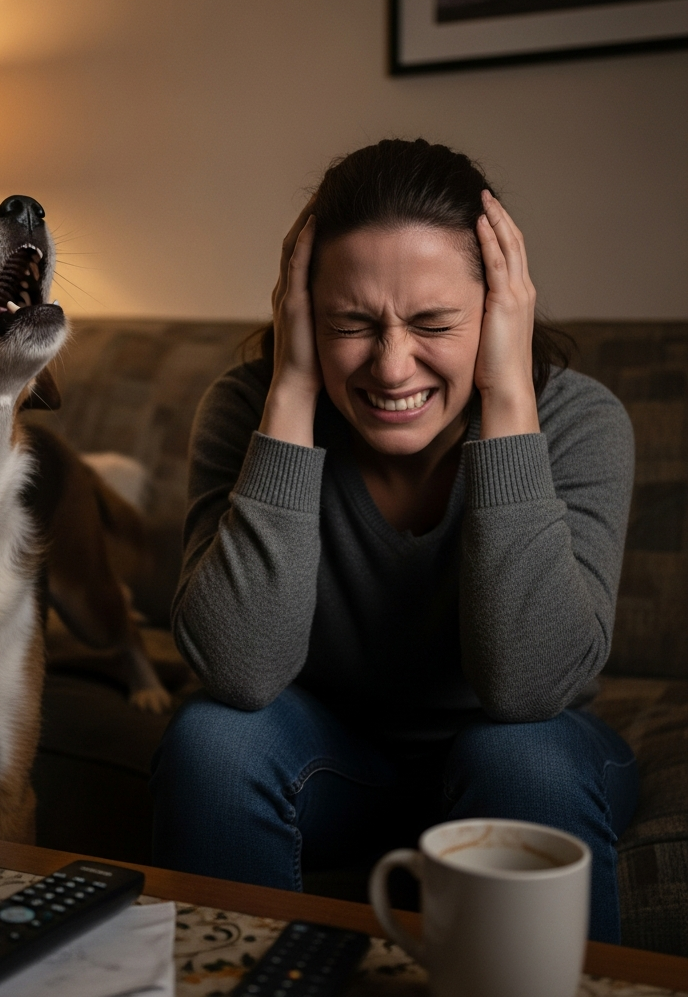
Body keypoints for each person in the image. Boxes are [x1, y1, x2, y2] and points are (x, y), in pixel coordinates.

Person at [150, 139, 638, 943]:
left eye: (434, 322)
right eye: (351, 323)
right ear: (302, 311)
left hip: (519, 754)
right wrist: (295, 392)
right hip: (334, 765)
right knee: (211, 739)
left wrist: (509, 396)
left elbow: (527, 688)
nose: (391, 364)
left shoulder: (582, 422)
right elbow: (238, 672)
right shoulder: (249, 410)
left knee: (524, 759)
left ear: (499, 309)